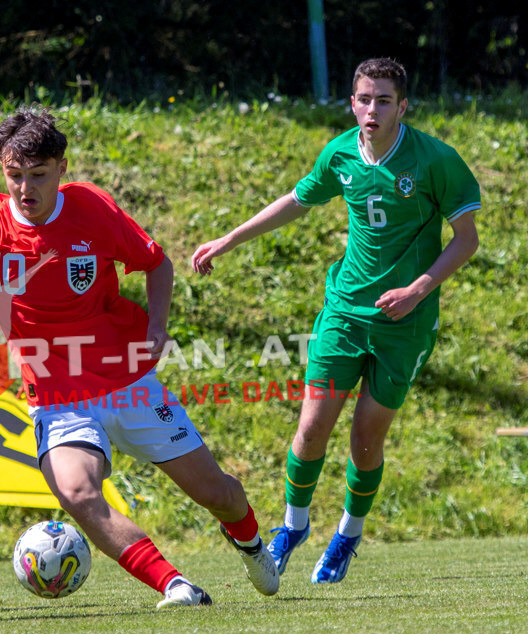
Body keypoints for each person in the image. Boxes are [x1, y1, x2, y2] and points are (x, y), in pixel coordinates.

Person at [0, 105, 279, 609]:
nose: (26, 188)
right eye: (14, 175)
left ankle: (250, 543)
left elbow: (156, 263)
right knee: (78, 494)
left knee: (218, 493)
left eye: (38, 175)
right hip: (58, 397)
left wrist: (156, 325)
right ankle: (176, 587)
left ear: (62, 169)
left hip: (129, 382)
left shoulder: (90, 207)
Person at [191, 57, 481, 584]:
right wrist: (229, 238)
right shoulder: (341, 152)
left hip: (406, 323)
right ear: (352, 102)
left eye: (384, 100)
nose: (373, 110)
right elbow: (297, 201)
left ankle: (348, 533)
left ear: (403, 106)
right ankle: (292, 527)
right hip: (344, 313)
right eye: (365, 99)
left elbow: (467, 239)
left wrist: (418, 290)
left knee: (366, 438)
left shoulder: (435, 160)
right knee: (311, 426)